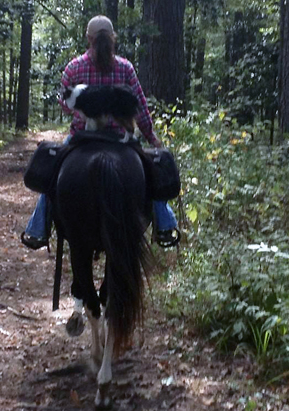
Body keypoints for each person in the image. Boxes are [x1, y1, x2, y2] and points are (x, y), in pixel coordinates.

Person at [21, 15, 179, 250]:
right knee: (152, 173)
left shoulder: (74, 66)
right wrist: (151, 137)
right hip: (120, 139)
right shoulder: (125, 67)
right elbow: (139, 107)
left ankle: (38, 229)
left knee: (52, 176)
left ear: (89, 39)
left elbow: (65, 105)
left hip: (82, 137)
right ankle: (165, 225)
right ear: (112, 38)